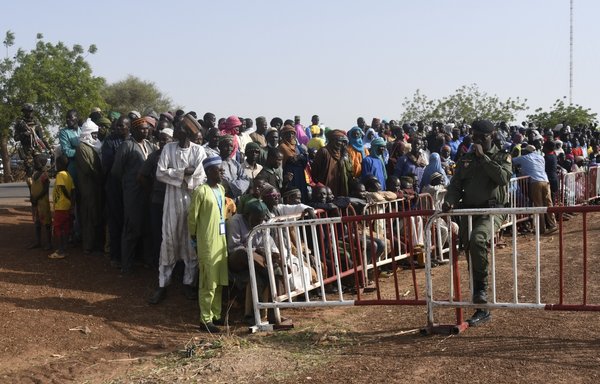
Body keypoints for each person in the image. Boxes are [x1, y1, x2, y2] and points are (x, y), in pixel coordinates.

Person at [443, 119, 512, 327]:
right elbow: (455, 186)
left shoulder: (502, 156)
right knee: (471, 255)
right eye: (474, 136)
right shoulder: (465, 159)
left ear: (491, 136)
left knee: (477, 239)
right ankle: (481, 308)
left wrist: (484, 159)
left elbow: (503, 178)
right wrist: (449, 201)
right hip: (468, 212)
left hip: (492, 211)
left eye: (481, 136)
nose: (477, 140)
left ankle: (481, 291)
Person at [151, 124, 207, 304]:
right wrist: (183, 172)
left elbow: (201, 174)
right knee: (169, 240)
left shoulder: (199, 150)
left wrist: (180, 175)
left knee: (191, 241)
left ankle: (188, 283)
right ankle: (162, 284)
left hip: (192, 200)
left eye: (181, 129)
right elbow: (160, 172)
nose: (176, 132)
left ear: (188, 133)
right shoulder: (168, 148)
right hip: (172, 201)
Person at [111, 117, 157, 275]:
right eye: (142, 129)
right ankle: (126, 265)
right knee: (131, 227)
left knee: (147, 227)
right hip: (132, 192)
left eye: (147, 128)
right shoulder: (127, 145)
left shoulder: (150, 145)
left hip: (147, 192)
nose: (145, 131)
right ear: (134, 130)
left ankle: (147, 261)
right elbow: (116, 170)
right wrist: (129, 182)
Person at [188, 156, 228, 333]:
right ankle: (205, 319)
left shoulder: (221, 189)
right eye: (219, 170)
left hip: (221, 242)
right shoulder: (201, 191)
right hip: (207, 242)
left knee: (219, 280)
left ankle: (216, 315)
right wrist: (194, 239)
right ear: (209, 171)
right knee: (208, 281)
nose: (222, 172)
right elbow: (192, 218)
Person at [139, 127, 173, 272]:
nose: (163, 142)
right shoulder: (153, 157)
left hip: (172, 202)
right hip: (157, 201)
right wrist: (151, 191)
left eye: (166, 139)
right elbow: (141, 176)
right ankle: (157, 262)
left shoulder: (175, 156)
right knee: (156, 232)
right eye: (161, 139)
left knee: (171, 233)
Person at [102, 116, 130, 269]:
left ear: (128, 127)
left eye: (122, 126)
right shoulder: (109, 141)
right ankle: (115, 255)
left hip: (131, 187)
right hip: (114, 185)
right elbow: (108, 164)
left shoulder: (133, 141)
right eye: (117, 126)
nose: (118, 129)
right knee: (115, 221)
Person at [512, 145, 557, 234]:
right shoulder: (541, 157)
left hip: (535, 182)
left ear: (526, 152)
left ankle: (541, 228)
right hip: (545, 180)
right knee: (548, 203)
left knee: (538, 205)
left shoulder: (524, 158)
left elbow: (512, 161)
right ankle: (553, 224)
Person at [75, 119, 104, 254]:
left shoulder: (95, 146)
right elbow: (88, 169)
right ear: (87, 134)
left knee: (96, 215)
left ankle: (95, 244)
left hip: (96, 186)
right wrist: (100, 175)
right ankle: (88, 246)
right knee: (88, 216)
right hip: (87, 187)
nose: (96, 137)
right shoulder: (82, 147)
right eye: (93, 134)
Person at [312, 130, 353, 198]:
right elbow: (315, 171)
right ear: (332, 140)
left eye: (342, 141)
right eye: (338, 141)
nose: (340, 143)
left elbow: (350, 172)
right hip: (326, 187)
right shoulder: (324, 152)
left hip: (340, 186)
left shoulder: (343, 153)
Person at [14, 103, 50, 178]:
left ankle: (40, 186)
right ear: (24, 112)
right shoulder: (20, 123)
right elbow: (15, 138)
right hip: (26, 149)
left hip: (36, 148)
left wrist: (49, 148)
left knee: (41, 166)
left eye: (31, 111)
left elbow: (42, 137)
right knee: (29, 169)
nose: (30, 113)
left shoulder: (36, 122)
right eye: (28, 111)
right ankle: (31, 187)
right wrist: (24, 134)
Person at [49, 155, 75, 259]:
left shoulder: (60, 174)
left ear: (60, 164)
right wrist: (71, 203)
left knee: (58, 227)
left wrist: (67, 197)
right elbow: (73, 190)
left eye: (56, 163)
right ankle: (64, 248)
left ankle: (60, 250)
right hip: (67, 206)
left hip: (61, 205)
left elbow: (62, 187)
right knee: (65, 228)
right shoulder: (68, 175)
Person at [28, 154, 52, 250]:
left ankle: (49, 243)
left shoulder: (44, 175)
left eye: (36, 162)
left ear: (42, 163)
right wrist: (32, 196)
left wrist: (36, 197)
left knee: (46, 223)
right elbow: (32, 187)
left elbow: (45, 189)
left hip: (43, 203)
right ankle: (38, 242)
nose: (34, 163)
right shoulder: (34, 174)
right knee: (37, 223)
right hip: (36, 202)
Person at [219, 135, 250, 199]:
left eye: (231, 146)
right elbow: (222, 182)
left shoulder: (236, 164)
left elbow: (245, 179)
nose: (229, 148)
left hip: (236, 198)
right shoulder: (217, 163)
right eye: (226, 146)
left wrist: (232, 186)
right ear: (220, 146)